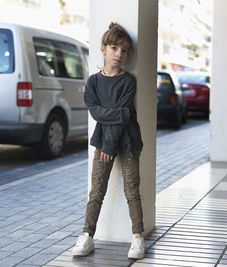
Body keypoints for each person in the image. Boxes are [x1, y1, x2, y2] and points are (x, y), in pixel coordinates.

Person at [71, 22, 145, 259]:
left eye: (123, 50)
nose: (119, 54)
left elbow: (123, 116)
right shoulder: (93, 81)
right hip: (104, 142)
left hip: (127, 143)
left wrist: (110, 145)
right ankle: (87, 236)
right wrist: (111, 119)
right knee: (96, 191)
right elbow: (96, 113)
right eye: (114, 48)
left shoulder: (128, 81)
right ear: (103, 49)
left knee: (132, 190)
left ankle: (138, 238)